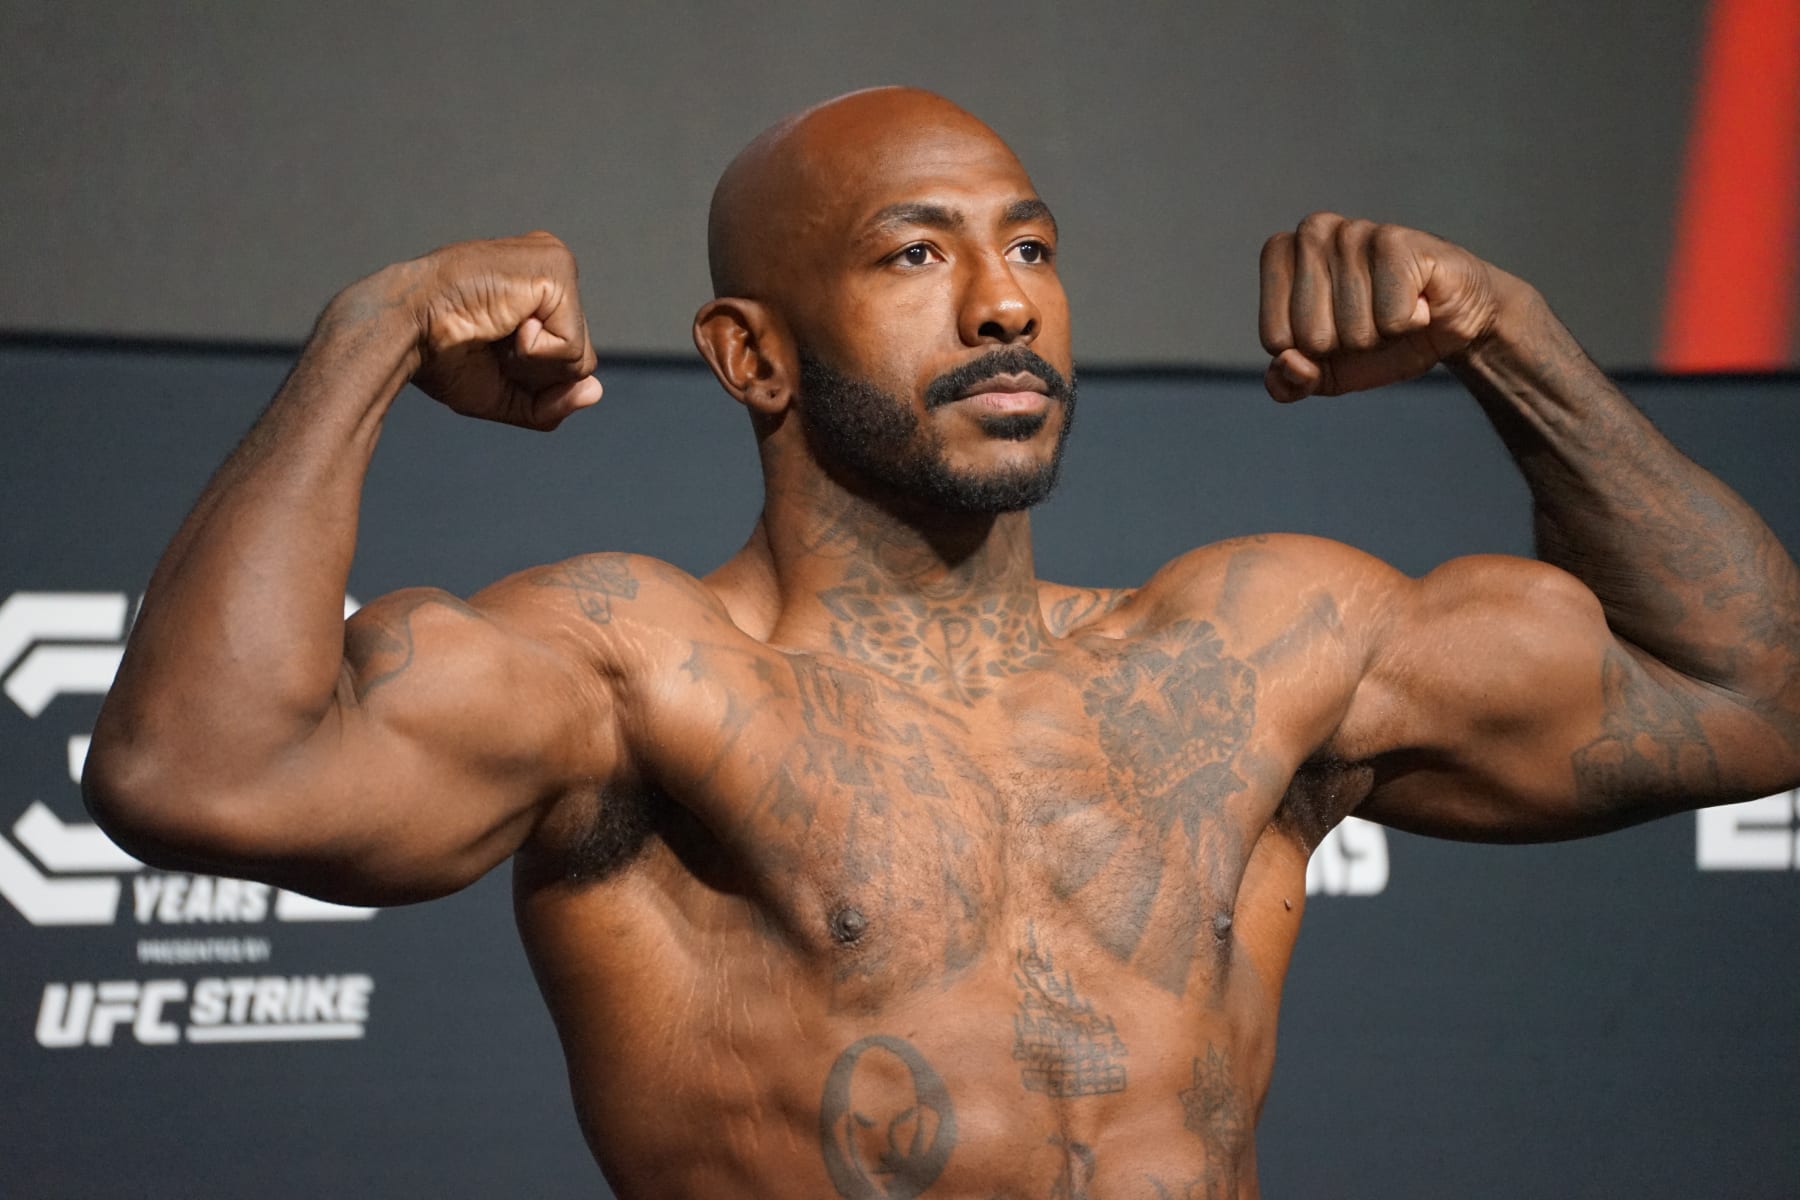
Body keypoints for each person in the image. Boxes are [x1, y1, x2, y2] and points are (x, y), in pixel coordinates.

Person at [82, 85, 1800, 1199]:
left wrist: (1514, 339)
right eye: (919, 253)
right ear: (751, 359)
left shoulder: (1247, 653)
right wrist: (368, 338)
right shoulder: (638, 674)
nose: (1004, 301)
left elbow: (1752, 697)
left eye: (1032, 248)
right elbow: (195, 773)